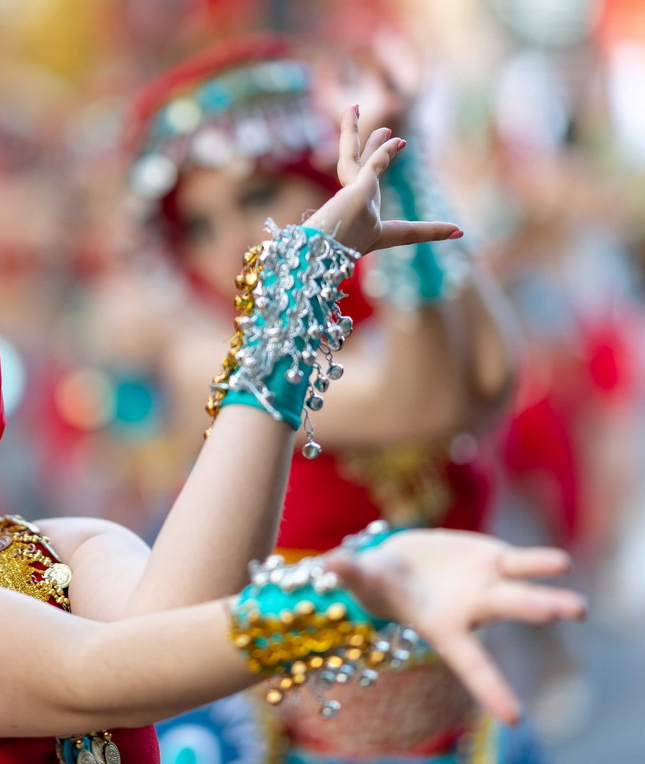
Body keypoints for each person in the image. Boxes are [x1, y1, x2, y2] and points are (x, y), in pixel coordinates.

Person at [0, 93, 583, 763]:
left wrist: (305, 285)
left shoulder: (58, 558)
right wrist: (356, 589)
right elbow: (91, 673)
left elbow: (169, 642)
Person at [122, 37, 524, 762]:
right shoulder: (213, 357)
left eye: (257, 196)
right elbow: (422, 405)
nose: (233, 242)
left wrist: (402, 163)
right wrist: (392, 199)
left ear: (325, 183)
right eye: (199, 226)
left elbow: (491, 380)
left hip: (468, 734)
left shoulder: (399, 321)